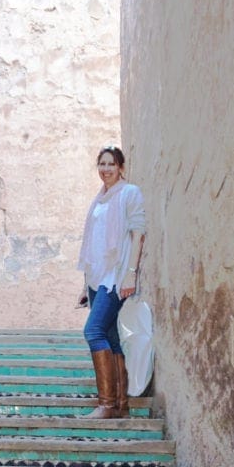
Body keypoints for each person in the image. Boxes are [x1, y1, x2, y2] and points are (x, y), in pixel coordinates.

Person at [76, 146, 146, 418]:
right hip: (97, 277)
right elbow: (93, 244)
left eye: (111, 164)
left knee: (93, 332)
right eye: (102, 164)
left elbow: (139, 234)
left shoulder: (129, 193)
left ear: (121, 167)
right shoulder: (100, 200)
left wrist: (131, 273)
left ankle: (106, 404)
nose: (106, 169)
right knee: (111, 336)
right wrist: (86, 284)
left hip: (116, 277)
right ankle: (121, 406)